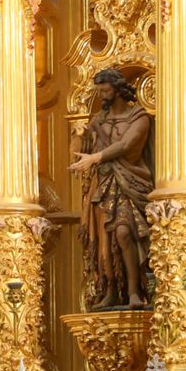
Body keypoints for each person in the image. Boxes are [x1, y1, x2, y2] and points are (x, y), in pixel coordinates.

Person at [69, 69, 154, 310]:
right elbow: (78, 153)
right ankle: (110, 290)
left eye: (105, 91)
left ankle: (135, 291)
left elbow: (127, 145)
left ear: (118, 90)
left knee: (124, 233)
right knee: (103, 243)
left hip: (131, 182)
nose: (102, 96)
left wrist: (96, 157)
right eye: (99, 91)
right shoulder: (99, 120)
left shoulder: (139, 118)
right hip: (104, 184)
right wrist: (79, 134)